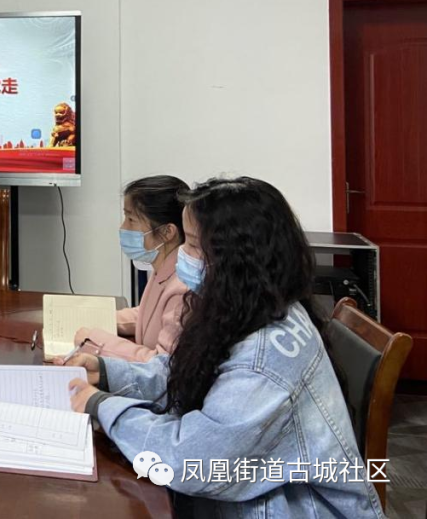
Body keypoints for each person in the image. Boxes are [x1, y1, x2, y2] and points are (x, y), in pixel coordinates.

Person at [62, 177, 384, 518]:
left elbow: (191, 462)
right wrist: (108, 372)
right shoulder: (251, 308)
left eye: (193, 245)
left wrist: (104, 406)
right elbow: (187, 372)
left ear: (237, 259)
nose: (182, 255)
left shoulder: (265, 357)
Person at [74, 175, 189, 361]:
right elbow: (150, 316)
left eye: (131, 219)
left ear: (167, 232)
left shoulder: (182, 286)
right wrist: (101, 318)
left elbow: (162, 364)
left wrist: (95, 341)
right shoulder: (165, 266)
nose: (123, 227)